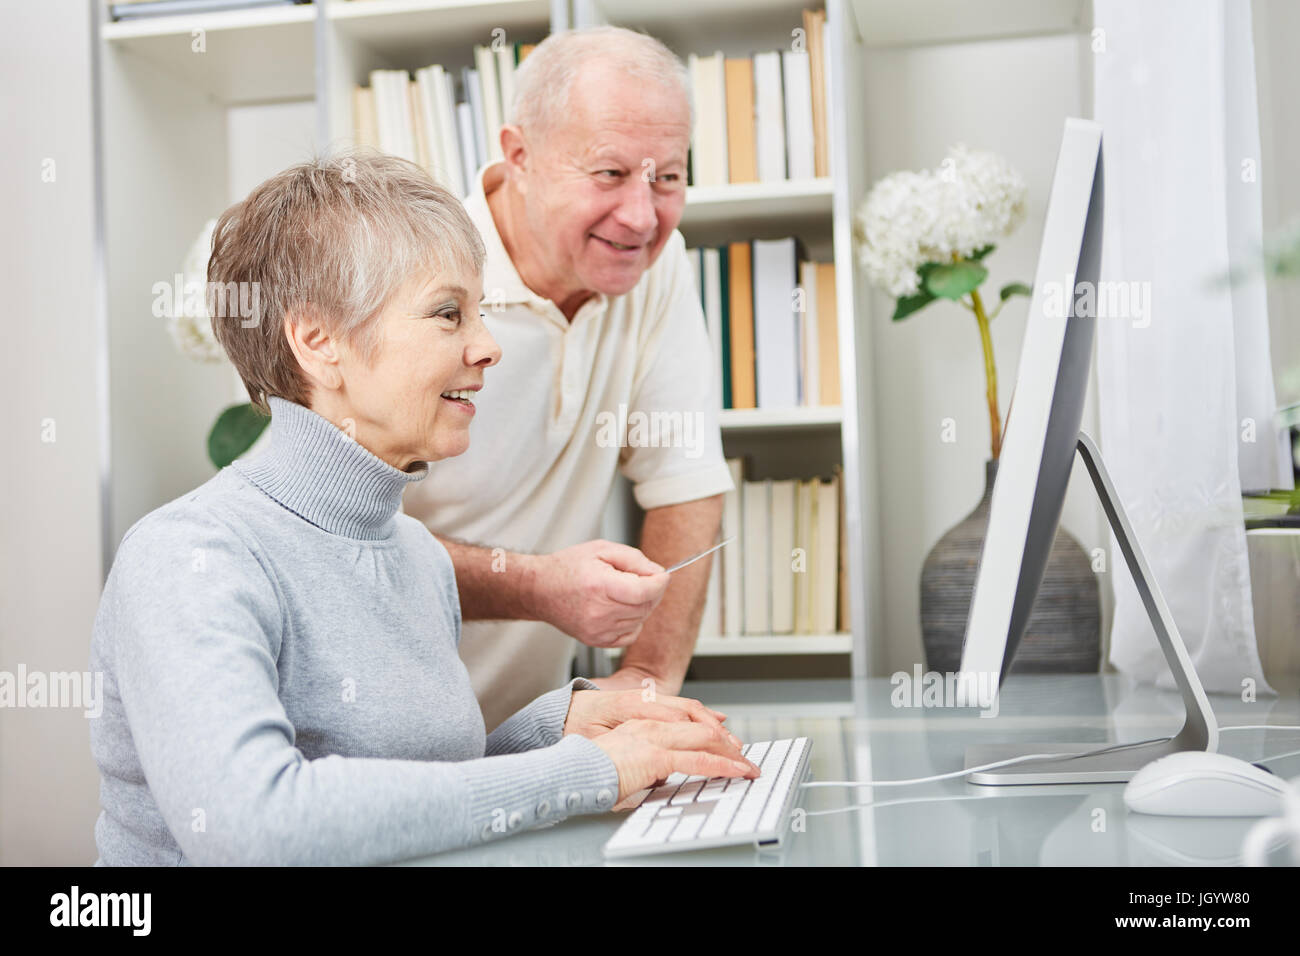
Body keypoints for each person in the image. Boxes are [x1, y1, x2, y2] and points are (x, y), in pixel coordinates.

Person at [88, 150, 757, 866]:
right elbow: (255, 824)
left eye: (480, 310)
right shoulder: (190, 556)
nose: (488, 346)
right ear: (318, 341)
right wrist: (591, 773)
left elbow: (416, 786)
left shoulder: (416, 554)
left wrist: (558, 725)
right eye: (449, 313)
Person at [403, 27, 734, 731]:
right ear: (519, 156)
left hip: (530, 735)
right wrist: (537, 587)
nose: (644, 217)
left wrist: (645, 680)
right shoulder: (411, 277)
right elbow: (348, 546)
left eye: (667, 177)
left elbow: (687, 482)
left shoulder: (657, 267)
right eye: (609, 174)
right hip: (384, 742)